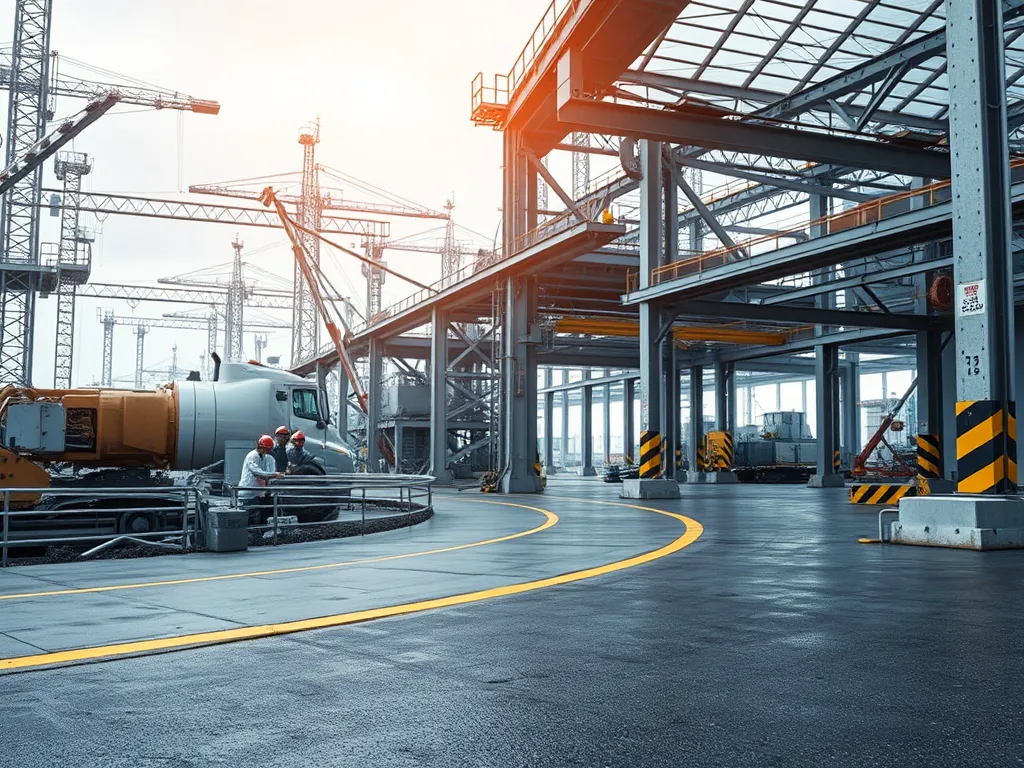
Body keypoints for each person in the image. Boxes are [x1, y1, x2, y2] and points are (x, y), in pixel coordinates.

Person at [239, 434, 283, 519]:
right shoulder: (252, 456)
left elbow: (264, 473)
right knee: (247, 517)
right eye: (267, 449)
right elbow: (258, 472)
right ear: (261, 447)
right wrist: (274, 474)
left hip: (257, 493)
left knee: (257, 516)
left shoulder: (264, 457)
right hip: (247, 493)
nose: (269, 451)